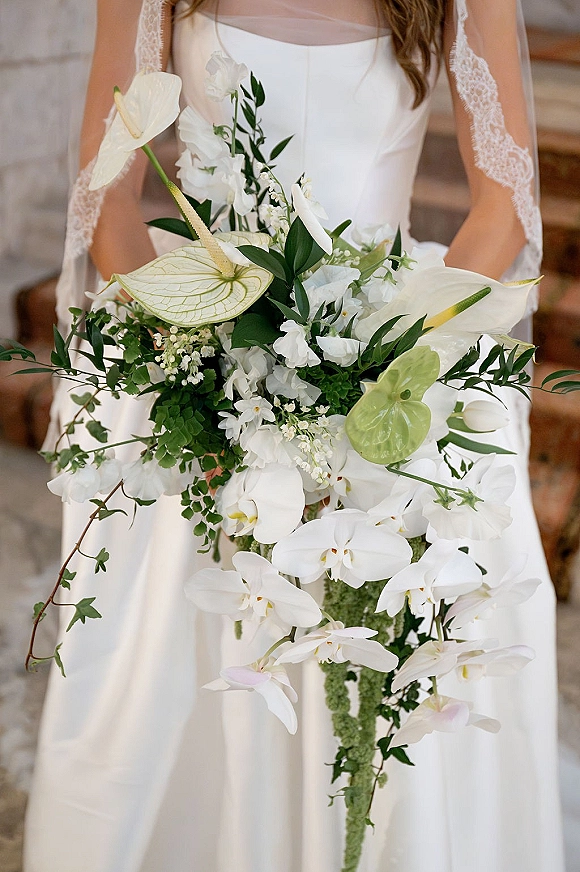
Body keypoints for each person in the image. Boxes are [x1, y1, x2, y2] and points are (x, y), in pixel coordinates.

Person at [24, 1, 564, 871]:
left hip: (390, 342)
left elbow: (503, 204)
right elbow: (110, 187)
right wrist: (195, 352)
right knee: (174, 644)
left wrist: (385, 372)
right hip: (202, 343)